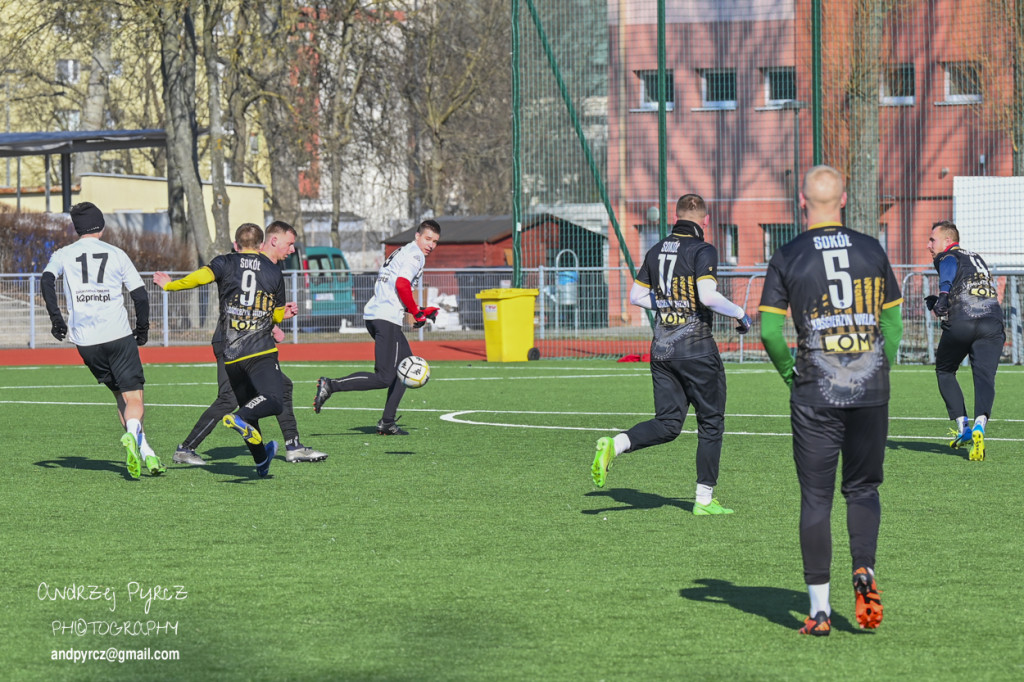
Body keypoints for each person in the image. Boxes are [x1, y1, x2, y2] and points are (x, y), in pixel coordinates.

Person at [758, 165, 903, 636]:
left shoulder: (788, 254)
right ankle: (865, 570)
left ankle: (819, 611)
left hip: (814, 389)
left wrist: (788, 372)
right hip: (869, 387)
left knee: (816, 498)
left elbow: (768, 331)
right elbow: (895, 326)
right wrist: (882, 366)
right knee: (862, 489)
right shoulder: (872, 248)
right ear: (843, 200)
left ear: (803, 201)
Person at [590, 194, 752, 516]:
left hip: (662, 350)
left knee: (668, 423)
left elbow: (636, 297)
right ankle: (704, 500)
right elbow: (707, 296)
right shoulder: (702, 249)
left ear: (674, 217)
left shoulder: (655, 249)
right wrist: (739, 313)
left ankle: (616, 444)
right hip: (696, 351)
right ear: (704, 220)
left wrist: (667, 304)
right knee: (711, 424)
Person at [158, 222, 328, 466]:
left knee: (280, 387)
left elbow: (203, 279)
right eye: (289, 244)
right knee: (231, 400)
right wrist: (277, 318)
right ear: (265, 243)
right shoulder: (269, 270)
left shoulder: (230, 262)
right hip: (234, 343)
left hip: (242, 341)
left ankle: (283, 449)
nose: (291, 250)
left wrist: (170, 284)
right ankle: (186, 448)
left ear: (237, 244)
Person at [41, 202, 165, 479]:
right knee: (134, 397)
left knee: (119, 397)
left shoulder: (63, 254)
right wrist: (142, 329)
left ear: (77, 228)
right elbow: (140, 295)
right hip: (118, 334)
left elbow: (46, 280)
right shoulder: (116, 253)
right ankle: (132, 436)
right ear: (101, 225)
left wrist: (56, 319)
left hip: (86, 341)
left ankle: (148, 454)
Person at [313, 219, 441, 435]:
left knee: (405, 368)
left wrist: (419, 309)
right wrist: (416, 313)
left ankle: (387, 422)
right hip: (386, 318)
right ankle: (331, 385)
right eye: (428, 239)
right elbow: (401, 285)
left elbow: (393, 290)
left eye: (435, 241)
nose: (431, 245)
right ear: (417, 236)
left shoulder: (403, 251)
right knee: (385, 377)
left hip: (379, 314)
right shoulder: (415, 255)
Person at [925, 220, 1004, 462]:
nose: (929, 245)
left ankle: (964, 428)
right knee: (984, 376)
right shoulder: (975, 257)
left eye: (932, 240)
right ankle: (981, 425)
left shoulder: (948, 255)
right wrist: (942, 300)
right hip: (992, 321)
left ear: (948, 241)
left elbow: (948, 265)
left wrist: (944, 294)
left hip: (963, 320)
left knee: (945, 370)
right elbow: (972, 287)